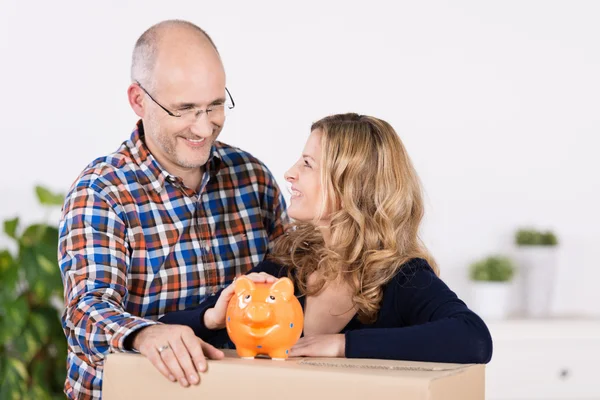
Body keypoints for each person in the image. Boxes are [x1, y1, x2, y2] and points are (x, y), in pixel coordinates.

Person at [58, 20, 287, 399]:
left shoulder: (252, 177)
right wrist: (145, 334)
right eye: (185, 109)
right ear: (138, 100)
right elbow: (86, 313)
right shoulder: (102, 192)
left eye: (214, 105)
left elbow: (291, 284)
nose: (204, 127)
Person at [160, 113, 493, 364]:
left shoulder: (401, 276)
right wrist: (212, 317)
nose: (290, 173)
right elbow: (167, 329)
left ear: (352, 186)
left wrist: (342, 346)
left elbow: (473, 339)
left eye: (307, 164)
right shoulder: (287, 266)